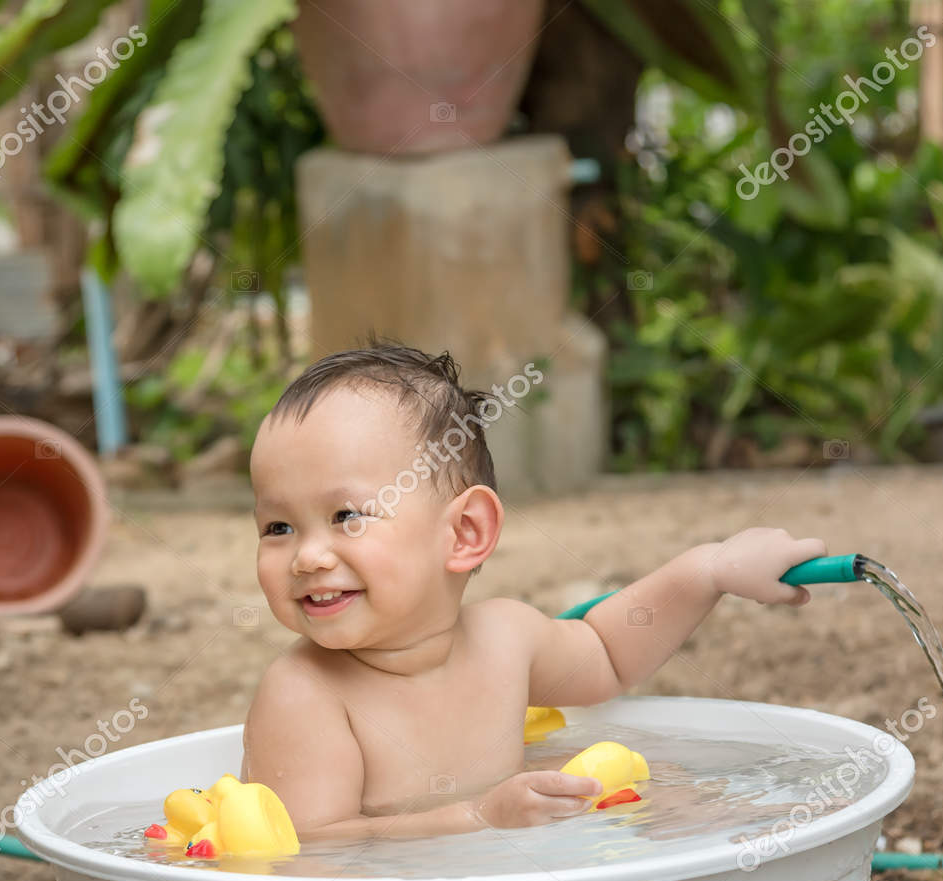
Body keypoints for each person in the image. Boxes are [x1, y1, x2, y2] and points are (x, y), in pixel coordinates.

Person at [243, 343, 825, 840]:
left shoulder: (505, 638)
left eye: (345, 516)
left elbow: (609, 653)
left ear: (464, 533)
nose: (307, 557)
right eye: (278, 527)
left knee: (683, 798)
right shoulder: (305, 694)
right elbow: (309, 852)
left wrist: (708, 570)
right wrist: (476, 817)